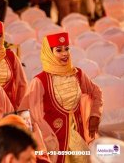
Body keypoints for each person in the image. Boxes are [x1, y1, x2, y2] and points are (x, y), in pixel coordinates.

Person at [18, 32, 103, 163]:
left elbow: (96, 92)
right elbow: (24, 111)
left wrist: (95, 114)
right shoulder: (40, 80)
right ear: (49, 53)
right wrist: (38, 139)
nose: (65, 53)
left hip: (78, 133)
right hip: (52, 140)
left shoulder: (77, 74)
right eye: (59, 50)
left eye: (67, 49)